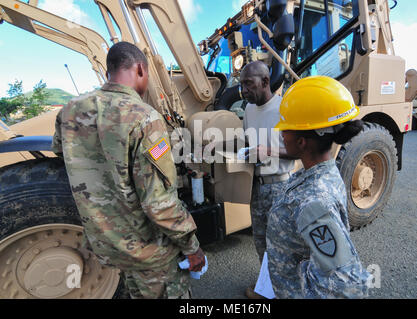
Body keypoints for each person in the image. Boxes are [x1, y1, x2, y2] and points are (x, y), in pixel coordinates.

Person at [52, 41, 205, 299]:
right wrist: (192, 247)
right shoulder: (145, 119)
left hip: (109, 245)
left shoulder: (69, 111)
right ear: (141, 70)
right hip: (149, 253)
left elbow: (63, 154)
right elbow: (159, 203)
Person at [266, 75, 370, 298]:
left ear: (302, 142)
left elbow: (348, 286)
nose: (282, 135)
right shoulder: (318, 173)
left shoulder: (314, 201)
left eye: (286, 130)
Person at [239, 61, 296, 298]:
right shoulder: (249, 110)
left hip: (279, 186)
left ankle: (286, 290)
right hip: (257, 187)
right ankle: (268, 288)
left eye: (248, 84)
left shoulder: (285, 109)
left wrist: (270, 151)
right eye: (241, 85)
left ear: (264, 82)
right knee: (261, 242)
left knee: (283, 245)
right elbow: (247, 145)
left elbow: (299, 151)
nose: (243, 90)